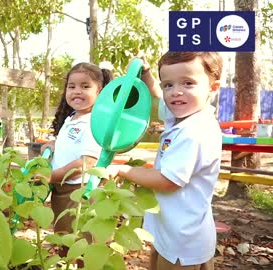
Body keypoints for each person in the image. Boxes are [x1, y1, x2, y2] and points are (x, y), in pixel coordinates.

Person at [108, 52, 223, 270]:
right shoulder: (183, 115)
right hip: (170, 232)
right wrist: (147, 75)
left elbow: (168, 180)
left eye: (188, 83)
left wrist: (122, 171)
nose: (176, 92)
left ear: (213, 88)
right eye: (168, 85)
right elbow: (157, 97)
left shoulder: (195, 131)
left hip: (183, 243)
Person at [41, 62, 113, 237]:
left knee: (80, 242)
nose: (77, 91)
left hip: (80, 192)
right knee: (63, 236)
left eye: (85, 86)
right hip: (61, 188)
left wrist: (51, 176)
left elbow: (86, 163)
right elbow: (72, 145)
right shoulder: (73, 117)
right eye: (71, 86)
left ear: (100, 92)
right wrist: (54, 146)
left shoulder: (93, 122)